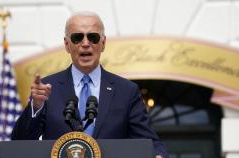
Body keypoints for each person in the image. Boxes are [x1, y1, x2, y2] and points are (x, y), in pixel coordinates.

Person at [11, 11, 168, 158]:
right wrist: (36, 108)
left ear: (103, 43)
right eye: (77, 38)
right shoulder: (47, 88)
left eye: (92, 37)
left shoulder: (126, 91)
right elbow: (20, 143)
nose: (85, 43)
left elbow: (150, 142)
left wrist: (158, 154)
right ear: (67, 44)